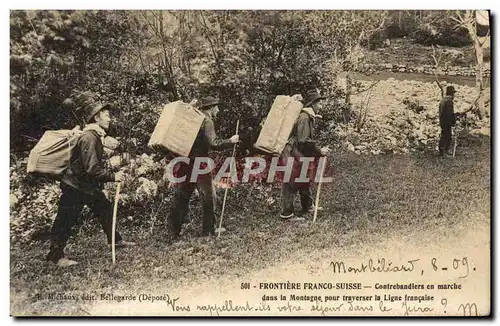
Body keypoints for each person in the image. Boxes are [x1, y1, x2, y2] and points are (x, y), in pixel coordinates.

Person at [46, 92, 136, 267]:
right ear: (96, 117)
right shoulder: (89, 137)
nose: (110, 119)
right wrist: (113, 176)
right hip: (75, 186)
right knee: (65, 219)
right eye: (107, 115)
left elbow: (90, 167)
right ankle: (55, 256)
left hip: (85, 186)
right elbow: (92, 168)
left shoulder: (95, 136)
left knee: (104, 208)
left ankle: (115, 241)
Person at [167, 96, 239, 239]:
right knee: (208, 197)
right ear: (211, 108)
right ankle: (208, 231)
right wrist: (230, 141)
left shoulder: (195, 119)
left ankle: (173, 231)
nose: (218, 110)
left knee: (182, 196)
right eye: (216, 107)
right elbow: (214, 142)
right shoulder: (207, 121)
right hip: (199, 162)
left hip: (185, 161)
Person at [280, 89, 331, 219]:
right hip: (292, 152)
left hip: (298, 152)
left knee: (304, 178)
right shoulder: (304, 117)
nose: (321, 106)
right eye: (319, 103)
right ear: (312, 104)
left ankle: (308, 206)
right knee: (291, 181)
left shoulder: (308, 116)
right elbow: (303, 141)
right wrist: (320, 151)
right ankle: (287, 213)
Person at [438, 85, 457, 157]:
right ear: (451, 93)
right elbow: (449, 113)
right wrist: (453, 121)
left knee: (443, 135)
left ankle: (442, 151)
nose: (454, 95)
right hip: (446, 121)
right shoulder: (449, 101)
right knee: (447, 136)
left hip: (442, 120)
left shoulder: (443, 100)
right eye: (453, 93)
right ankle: (444, 152)